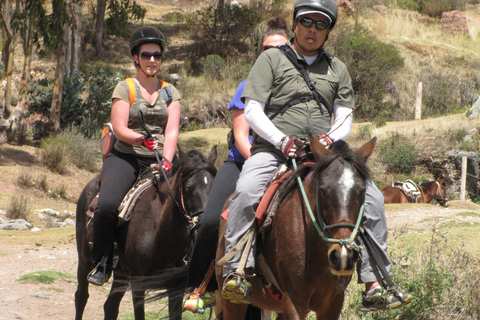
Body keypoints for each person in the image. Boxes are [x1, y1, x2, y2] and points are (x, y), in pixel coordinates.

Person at [221, 0, 413, 312]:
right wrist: (282, 141)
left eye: (321, 24)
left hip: (323, 154)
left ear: (327, 32)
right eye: (307, 21)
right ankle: (237, 271)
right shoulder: (271, 59)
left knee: (373, 198)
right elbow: (253, 109)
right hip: (273, 150)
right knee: (245, 192)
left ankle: (375, 283)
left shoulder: (337, 69)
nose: (313, 29)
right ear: (295, 24)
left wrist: (329, 137)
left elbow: (344, 116)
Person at [183, 18, 290, 314]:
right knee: (208, 222)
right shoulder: (247, 85)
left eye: (281, 49)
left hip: (287, 164)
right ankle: (201, 287)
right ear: (259, 53)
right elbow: (243, 137)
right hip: (244, 162)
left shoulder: (296, 89)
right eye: (267, 49)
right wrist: (264, 163)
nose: (273, 54)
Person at [87, 26, 181, 286]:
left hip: (161, 158)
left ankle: (188, 263)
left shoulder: (170, 92)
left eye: (157, 55)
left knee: (192, 202)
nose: (152, 60)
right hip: (127, 156)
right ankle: (103, 260)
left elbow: (171, 130)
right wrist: (141, 139)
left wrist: (167, 160)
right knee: (106, 206)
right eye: (146, 54)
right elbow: (119, 127)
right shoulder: (125, 87)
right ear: (136, 57)